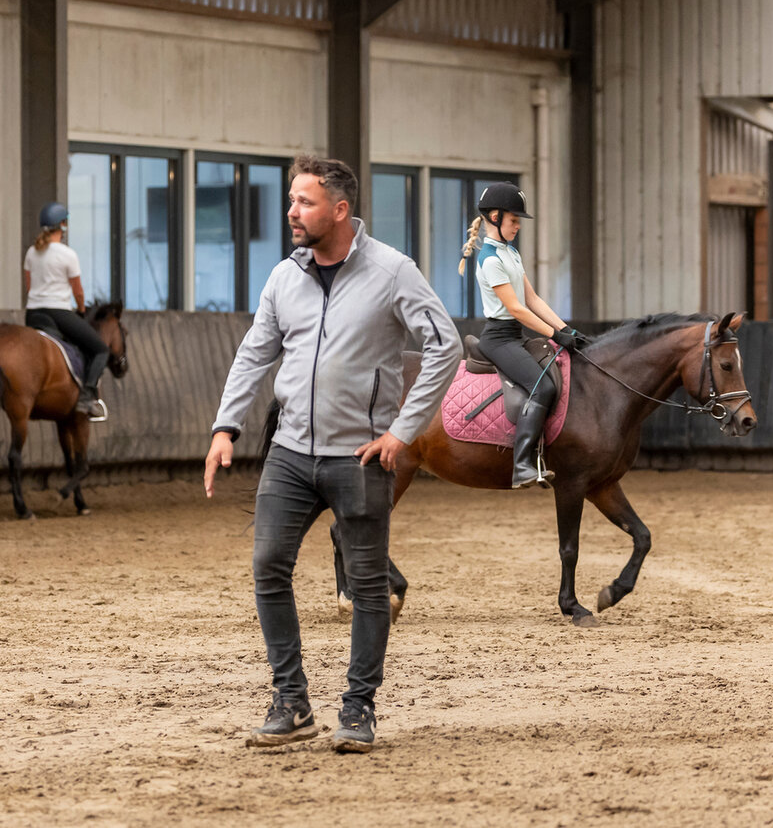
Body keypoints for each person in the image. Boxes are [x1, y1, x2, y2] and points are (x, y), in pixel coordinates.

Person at [204, 155, 460, 755]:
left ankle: (359, 708)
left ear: (340, 210)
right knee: (269, 566)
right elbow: (253, 355)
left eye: (305, 202)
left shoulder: (394, 272)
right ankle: (291, 702)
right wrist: (226, 428)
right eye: (292, 201)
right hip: (290, 453)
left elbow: (443, 345)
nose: (292, 212)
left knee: (368, 586)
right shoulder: (283, 278)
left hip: (362, 457)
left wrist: (402, 430)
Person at [457, 182, 588, 489]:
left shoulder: (510, 254)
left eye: (518, 221)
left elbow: (533, 300)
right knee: (541, 387)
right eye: (513, 220)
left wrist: (566, 330)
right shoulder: (489, 259)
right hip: (499, 339)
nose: (517, 226)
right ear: (494, 217)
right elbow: (516, 309)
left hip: (515, 336)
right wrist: (554, 333)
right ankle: (522, 465)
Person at [23, 202, 108, 418]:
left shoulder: (32, 253)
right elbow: (78, 292)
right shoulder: (68, 254)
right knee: (100, 349)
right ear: (63, 225)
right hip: (58, 314)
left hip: (33, 314)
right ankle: (88, 397)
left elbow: (28, 285)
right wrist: (80, 310)